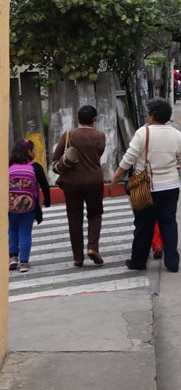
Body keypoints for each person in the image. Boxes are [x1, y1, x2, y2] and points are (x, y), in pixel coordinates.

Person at [112, 98, 181, 273]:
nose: (147, 116)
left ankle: (138, 261)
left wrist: (117, 176)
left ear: (153, 115)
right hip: (170, 187)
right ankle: (172, 262)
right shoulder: (177, 135)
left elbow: (129, 158)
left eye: (148, 113)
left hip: (145, 188)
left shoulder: (143, 133)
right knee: (169, 223)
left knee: (143, 225)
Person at [50, 104, 108, 267]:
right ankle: (92, 248)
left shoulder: (69, 134)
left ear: (78, 119)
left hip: (71, 182)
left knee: (74, 217)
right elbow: (99, 154)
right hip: (94, 181)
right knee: (95, 215)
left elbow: (56, 157)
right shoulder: (100, 136)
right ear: (94, 120)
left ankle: (78, 257)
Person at [8, 139, 51, 272]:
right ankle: (24, 262)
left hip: (11, 207)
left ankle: (13, 257)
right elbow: (45, 186)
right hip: (29, 207)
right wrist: (47, 201)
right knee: (25, 232)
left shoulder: (8, 166)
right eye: (34, 150)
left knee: (12, 230)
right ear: (28, 152)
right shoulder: (35, 167)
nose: (35, 152)